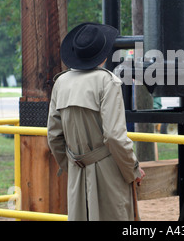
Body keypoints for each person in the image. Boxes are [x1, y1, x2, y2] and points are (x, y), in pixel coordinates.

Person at [47, 22, 145, 221]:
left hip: (77, 167)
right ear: (104, 54)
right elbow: (114, 136)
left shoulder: (61, 82)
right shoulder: (107, 82)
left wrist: (74, 165)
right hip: (108, 171)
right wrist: (133, 169)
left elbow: (54, 136)